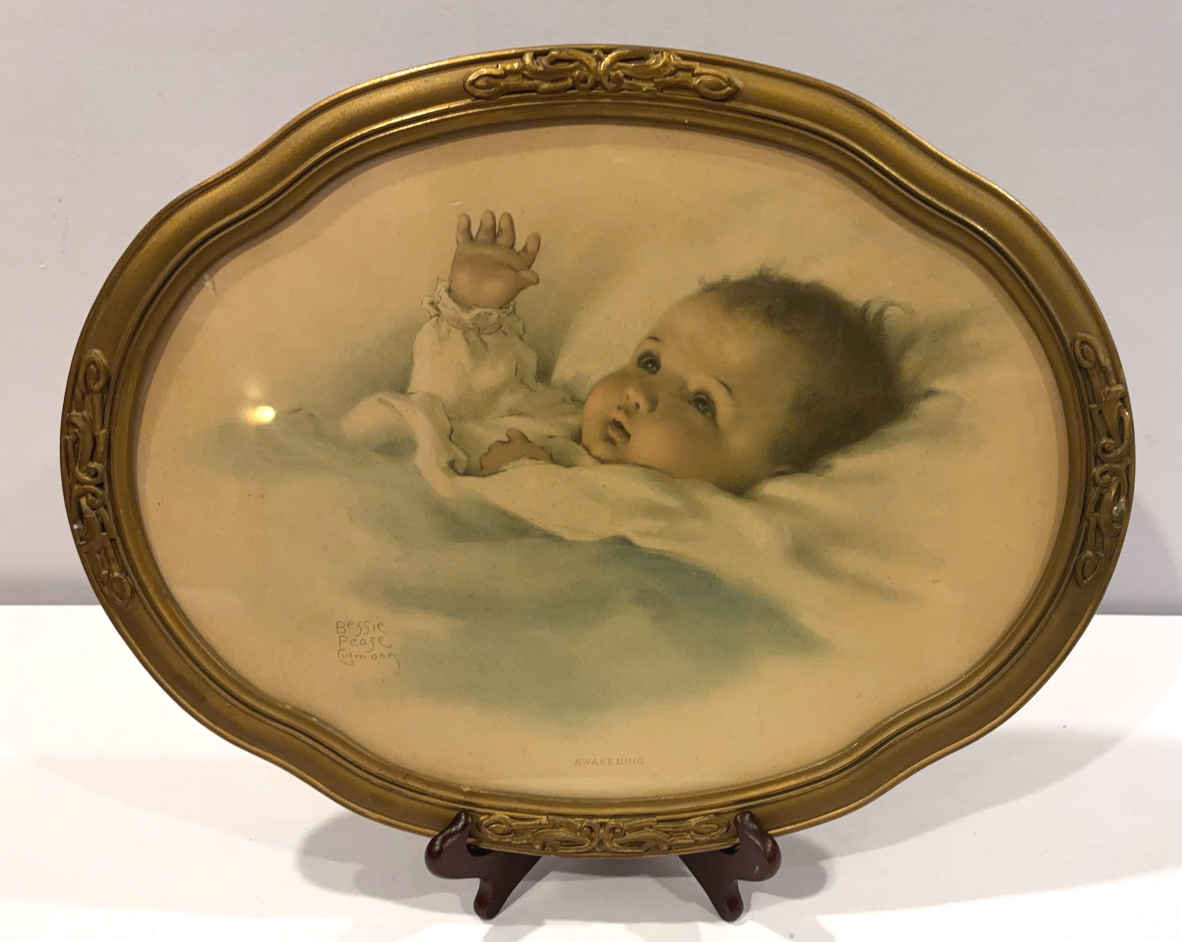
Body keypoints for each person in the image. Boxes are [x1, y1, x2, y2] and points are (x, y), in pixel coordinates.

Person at [341, 210, 903, 494]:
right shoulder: (559, 417)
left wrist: (533, 484)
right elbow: (463, 396)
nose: (639, 393)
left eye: (703, 402)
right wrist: (471, 310)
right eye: (650, 362)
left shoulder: (680, 518)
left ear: (768, 474)